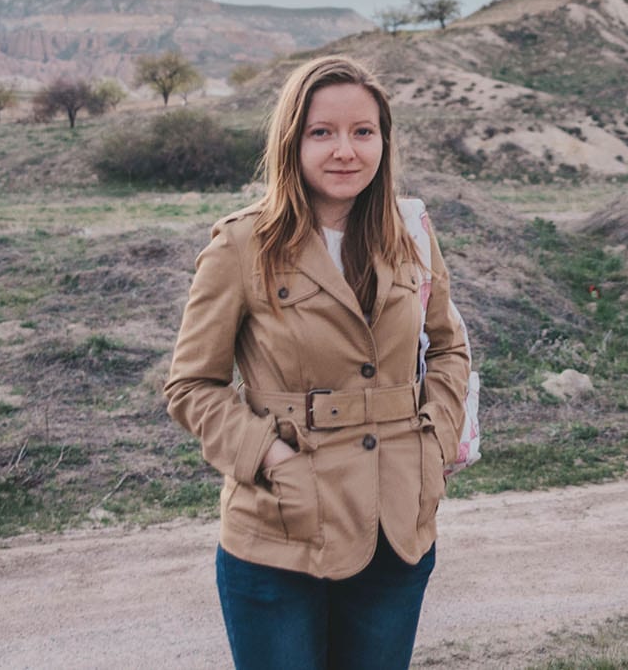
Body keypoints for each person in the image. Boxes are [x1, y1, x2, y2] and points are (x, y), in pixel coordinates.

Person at [165, 54, 469, 669]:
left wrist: (434, 442)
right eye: (321, 132)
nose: (345, 151)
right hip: (281, 531)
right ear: (291, 141)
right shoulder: (242, 244)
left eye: (363, 132)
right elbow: (193, 386)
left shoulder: (412, 232)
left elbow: (449, 347)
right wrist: (272, 458)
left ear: (384, 139)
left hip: (396, 529)